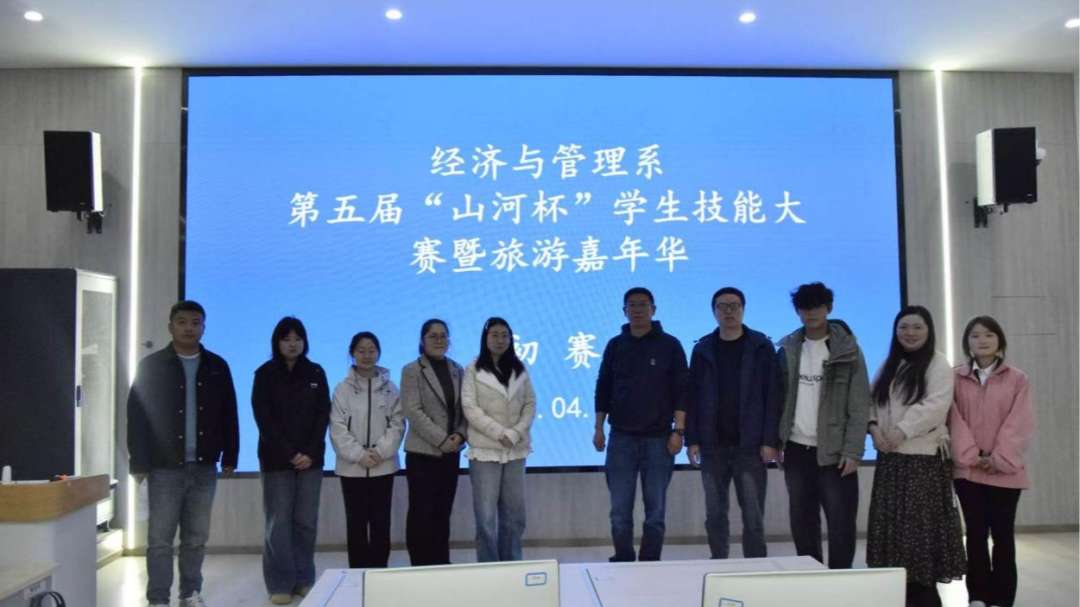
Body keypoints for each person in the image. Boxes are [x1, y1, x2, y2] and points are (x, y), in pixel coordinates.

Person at [127, 300, 239, 607]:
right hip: (163, 467)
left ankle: (190, 594)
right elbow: (136, 416)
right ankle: (158, 599)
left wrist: (231, 455)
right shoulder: (152, 365)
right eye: (182, 322)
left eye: (195, 323)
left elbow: (229, 412)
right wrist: (138, 462)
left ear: (204, 327)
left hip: (204, 467)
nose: (189, 328)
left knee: (196, 538)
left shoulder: (217, 366)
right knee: (160, 540)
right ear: (170, 326)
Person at [867, 305, 966, 607]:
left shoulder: (937, 363)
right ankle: (899, 595)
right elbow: (871, 401)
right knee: (892, 532)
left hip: (922, 461)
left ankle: (924, 597)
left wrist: (900, 432)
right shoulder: (889, 363)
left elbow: (936, 406)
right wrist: (873, 428)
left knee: (919, 533)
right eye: (904, 327)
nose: (910, 333)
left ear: (929, 331)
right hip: (891, 462)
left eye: (917, 327)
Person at [777, 282, 871, 569]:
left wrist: (853, 450)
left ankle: (840, 583)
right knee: (802, 522)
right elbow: (778, 399)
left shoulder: (848, 350)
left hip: (835, 452)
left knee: (841, 523)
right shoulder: (789, 349)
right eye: (804, 307)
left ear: (828, 308)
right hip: (796, 449)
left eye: (817, 306)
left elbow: (859, 403)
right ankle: (811, 579)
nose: (811, 313)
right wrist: (777, 441)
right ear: (797, 311)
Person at [594, 287, 689, 562]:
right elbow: (603, 388)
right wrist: (598, 428)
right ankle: (623, 557)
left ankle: (650, 560)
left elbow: (682, 390)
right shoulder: (615, 345)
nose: (637, 310)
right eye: (632, 305)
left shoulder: (670, 345)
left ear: (653, 309)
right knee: (619, 510)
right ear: (624, 311)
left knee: (655, 511)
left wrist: (679, 430)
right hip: (621, 438)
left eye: (643, 304)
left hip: (659, 439)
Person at [685, 286, 780, 559]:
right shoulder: (703, 349)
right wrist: (693, 439)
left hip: (750, 446)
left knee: (753, 515)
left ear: (743, 310)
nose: (729, 311)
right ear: (714, 312)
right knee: (715, 514)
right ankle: (719, 563)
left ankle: (756, 567)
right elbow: (693, 397)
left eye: (734, 306)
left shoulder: (761, 346)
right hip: (712, 445)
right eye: (722, 306)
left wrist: (770, 440)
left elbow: (773, 395)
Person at [949, 317, 1034, 607]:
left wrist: (997, 458)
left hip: (1006, 471)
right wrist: (972, 456)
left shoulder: (1017, 378)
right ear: (967, 343)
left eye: (988, 335)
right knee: (975, 536)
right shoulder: (955, 378)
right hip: (968, 471)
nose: (982, 340)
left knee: (1003, 538)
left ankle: (1002, 599)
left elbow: (1020, 423)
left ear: (999, 340)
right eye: (975, 336)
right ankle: (977, 597)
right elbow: (953, 420)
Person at [251, 317, 330, 605]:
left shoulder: (316, 372)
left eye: (298, 338)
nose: (293, 343)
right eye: (286, 339)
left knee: (305, 521)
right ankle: (280, 583)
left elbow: (323, 414)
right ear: (277, 342)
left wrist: (309, 452)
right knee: (279, 523)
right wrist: (290, 453)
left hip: (311, 459)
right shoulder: (264, 374)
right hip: (276, 460)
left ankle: (304, 579)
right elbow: (264, 419)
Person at [461, 317, 537, 562]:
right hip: (486, 450)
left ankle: (512, 563)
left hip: (515, 449)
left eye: (505, 335)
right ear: (485, 338)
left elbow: (530, 403)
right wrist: (499, 433)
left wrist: (515, 433)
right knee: (485, 517)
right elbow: (470, 408)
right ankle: (488, 567)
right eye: (494, 335)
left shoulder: (519, 367)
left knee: (515, 515)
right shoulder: (473, 368)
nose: (500, 340)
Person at [329, 331, 405, 570]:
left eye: (372, 350)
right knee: (356, 524)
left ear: (379, 353)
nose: (367, 355)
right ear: (352, 353)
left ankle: (380, 573)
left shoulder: (391, 388)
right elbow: (337, 427)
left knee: (381, 523)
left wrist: (381, 452)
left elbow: (398, 424)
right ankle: (357, 574)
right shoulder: (342, 389)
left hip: (383, 466)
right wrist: (359, 455)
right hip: (352, 468)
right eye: (361, 350)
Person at [400, 319, 467, 566]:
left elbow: (466, 410)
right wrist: (441, 440)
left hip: (451, 453)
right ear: (422, 340)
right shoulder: (412, 370)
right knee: (421, 514)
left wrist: (460, 435)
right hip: (423, 454)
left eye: (443, 335)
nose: (439, 340)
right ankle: (420, 567)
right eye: (433, 336)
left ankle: (441, 565)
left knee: (442, 512)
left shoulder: (458, 369)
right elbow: (413, 411)